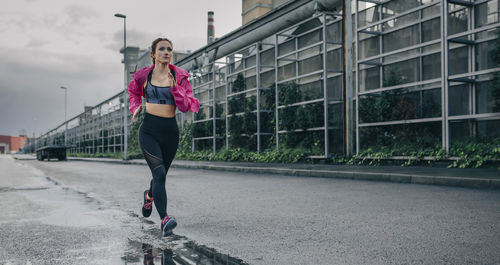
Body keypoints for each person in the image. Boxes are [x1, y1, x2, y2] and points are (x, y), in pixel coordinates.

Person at [128, 37, 199, 237]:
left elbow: (186, 106)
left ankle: (149, 195)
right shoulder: (144, 76)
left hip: (170, 131)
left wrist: (175, 88)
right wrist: (136, 108)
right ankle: (165, 218)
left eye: (169, 49)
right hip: (149, 130)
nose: (166, 52)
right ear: (154, 54)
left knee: (161, 175)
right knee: (158, 174)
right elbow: (133, 93)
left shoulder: (180, 77)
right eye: (162, 49)